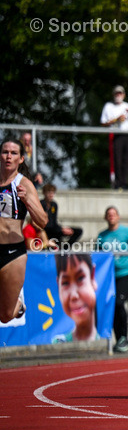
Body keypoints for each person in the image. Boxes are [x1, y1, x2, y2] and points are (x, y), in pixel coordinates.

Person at [0, 137, 49, 323]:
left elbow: (43, 221)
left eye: (13, 153)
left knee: (5, 316)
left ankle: (19, 305)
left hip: (12, 253)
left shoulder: (24, 184)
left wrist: (27, 199)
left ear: (21, 159)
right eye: (5, 152)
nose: (8, 157)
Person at [97, 206, 128, 353]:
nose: (111, 217)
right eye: (108, 214)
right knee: (112, 306)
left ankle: (124, 338)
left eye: (113, 214)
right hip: (109, 276)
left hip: (126, 274)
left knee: (119, 303)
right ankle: (119, 339)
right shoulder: (101, 236)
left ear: (118, 217)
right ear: (105, 217)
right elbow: (98, 257)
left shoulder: (127, 232)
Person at [54, 254, 99, 342]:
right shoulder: (57, 342)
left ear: (92, 277)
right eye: (65, 283)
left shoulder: (103, 339)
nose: (74, 295)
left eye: (80, 278)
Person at [100, 85, 128, 190]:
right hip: (116, 135)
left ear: (124, 95)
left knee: (127, 159)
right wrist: (117, 119)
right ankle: (117, 183)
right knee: (117, 160)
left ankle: (125, 183)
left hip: (127, 135)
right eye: (116, 93)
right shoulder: (108, 107)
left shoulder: (127, 106)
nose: (118, 95)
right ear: (113, 95)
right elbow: (103, 123)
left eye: (120, 93)